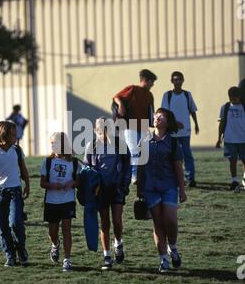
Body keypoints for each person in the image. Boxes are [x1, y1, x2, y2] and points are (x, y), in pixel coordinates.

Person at [140, 108, 187, 273]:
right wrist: (139, 188)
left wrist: (182, 190)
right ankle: (163, 260)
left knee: (171, 221)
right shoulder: (145, 140)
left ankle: (172, 247)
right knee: (158, 223)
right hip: (150, 189)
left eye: (161, 117)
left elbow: (178, 169)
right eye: (155, 116)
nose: (157, 118)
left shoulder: (173, 143)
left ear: (168, 122)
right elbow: (140, 166)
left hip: (168, 187)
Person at [84, 117, 131, 270]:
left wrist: (124, 184)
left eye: (105, 127)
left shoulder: (120, 144)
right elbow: (87, 169)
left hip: (117, 187)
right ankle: (107, 256)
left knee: (117, 221)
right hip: (101, 189)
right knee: (104, 222)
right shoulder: (92, 146)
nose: (102, 130)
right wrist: (92, 187)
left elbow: (128, 165)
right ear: (94, 129)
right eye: (99, 127)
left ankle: (118, 243)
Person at [0, 120, 30, 267]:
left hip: (15, 191)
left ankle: (21, 249)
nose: (15, 136)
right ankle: (10, 255)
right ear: (3, 134)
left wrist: (27, 184)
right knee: (2, 227)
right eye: (13, 134)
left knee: (16, 223)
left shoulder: (17, 150)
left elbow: (23, 169)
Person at [40, 132, 80, 272]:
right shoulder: (48, 161)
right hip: (51, 201)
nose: (52, 146)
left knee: (67, 230)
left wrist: (72, 183)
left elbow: (79, 182)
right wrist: (52, 185)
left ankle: (67, 259)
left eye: (54, 143)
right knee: (53, 232)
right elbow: (42, 183)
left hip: (67, 200)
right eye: (51, 143)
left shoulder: (73, 162)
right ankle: (55, 245)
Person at [113, 69, 157, 184]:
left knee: (143, 152)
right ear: (145, 80)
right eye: (151, 82)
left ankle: (140, 174)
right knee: (133, 151)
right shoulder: (132, 89)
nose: (153, 85)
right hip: (130, 125)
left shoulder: (149, 95)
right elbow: (116, 97)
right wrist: (121, 105)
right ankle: (134, 175)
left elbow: (151, 110)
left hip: (143, 126)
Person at [161, 71, 199, 187]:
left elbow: (192, 110)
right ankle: (173, 177)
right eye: (175, 79)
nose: (177, 81)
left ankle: (190, 178)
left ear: (183, 80)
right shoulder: (167, 95)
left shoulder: (187, 95)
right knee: (172, 156)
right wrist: (174, 123)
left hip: (185, 131)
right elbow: (164, 113)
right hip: (172, 132)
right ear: (172, 81)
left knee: (187, 154)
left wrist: (196, 124)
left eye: (179, 79)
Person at [216, 87, 245, 191]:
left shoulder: (243, 106)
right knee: (232, 160)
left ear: (240, 97)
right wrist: (219, 138)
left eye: (235, 98)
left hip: (243, 139)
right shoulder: (226, 107)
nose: (233, 100)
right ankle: (234, 181)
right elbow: (222, 123)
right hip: (230, 139)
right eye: (231, 98)